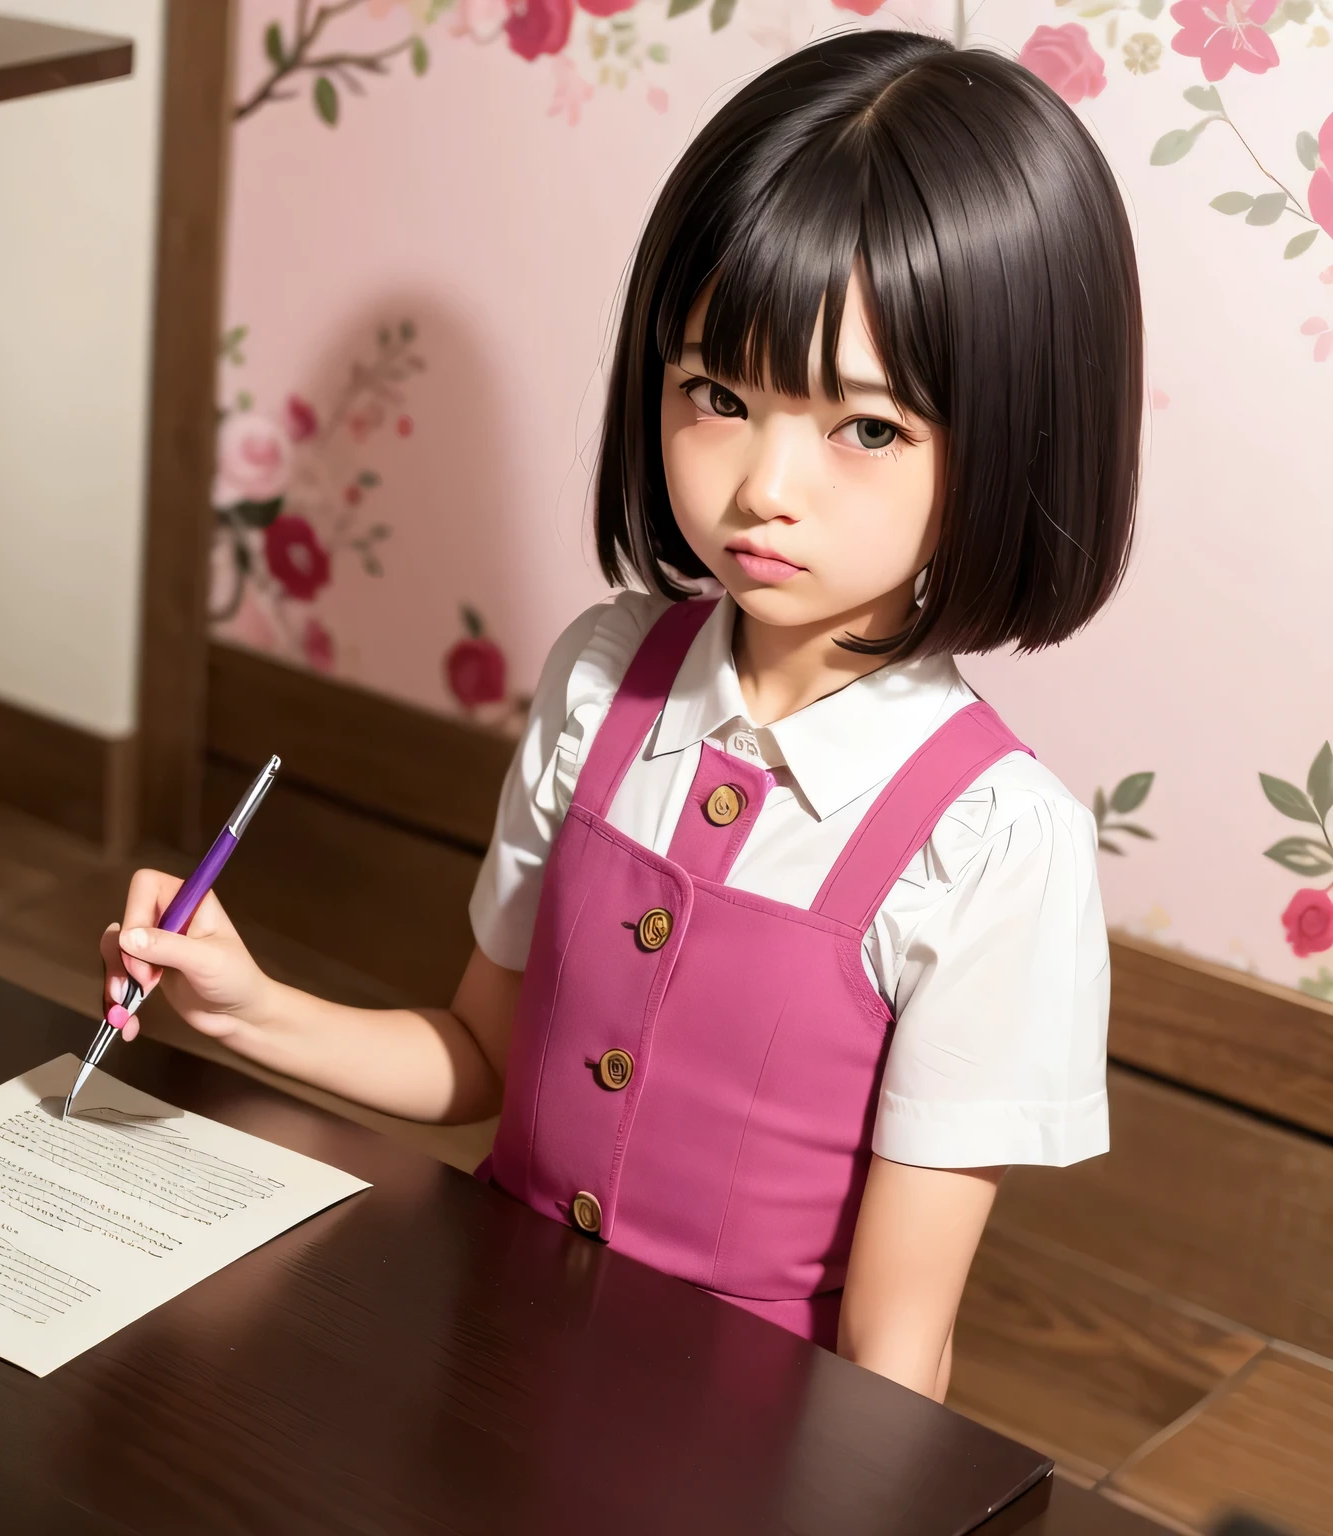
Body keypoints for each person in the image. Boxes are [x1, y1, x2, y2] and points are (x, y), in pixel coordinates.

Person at [102, 29, 1140, 1402]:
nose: (764, 485)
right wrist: (245, 1008)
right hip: (476, 1380)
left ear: (1013, 440)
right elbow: (478, 1061)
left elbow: (897, 1355)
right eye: (717, 396)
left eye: (866, 428)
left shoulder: (997, 847)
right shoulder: (602, 679)